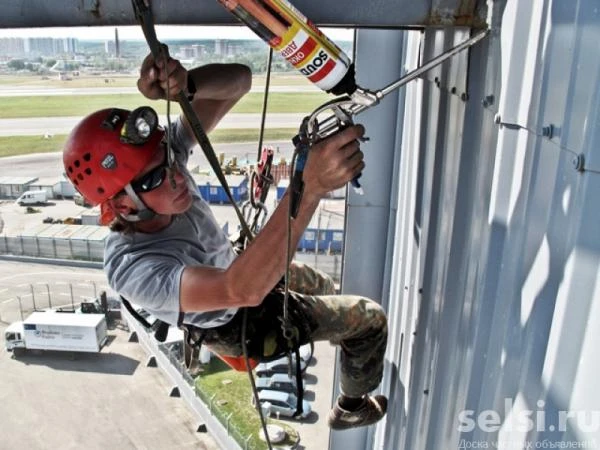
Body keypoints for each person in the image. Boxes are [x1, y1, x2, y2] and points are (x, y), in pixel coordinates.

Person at [63, 52, 388, 430]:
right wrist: (309, 186)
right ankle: (350, 406)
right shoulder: (133, 268)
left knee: (323, 287)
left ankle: (336, 333)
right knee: (370, 319)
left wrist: (187, 85)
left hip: (235, 266)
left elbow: (240, 81)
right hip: (236, 323)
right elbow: (241, 290)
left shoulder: (161, 163)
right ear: (122, 204)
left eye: (169, 158)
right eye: (155, 179)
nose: (177, 176)